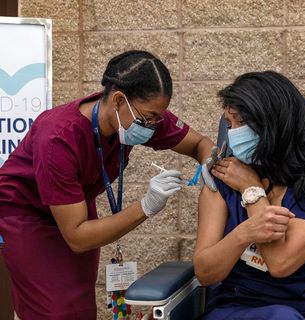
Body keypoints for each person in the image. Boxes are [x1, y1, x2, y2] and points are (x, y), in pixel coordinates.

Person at [0, 50, 215, 320]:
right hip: (25, 213)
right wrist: (146, 206)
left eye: (158, 118)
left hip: (75, 207)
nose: (153, 126)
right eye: (149, 117)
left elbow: (200, 143)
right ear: (118, 100)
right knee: (54, 311)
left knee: (78, 307)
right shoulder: (58, 138)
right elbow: (78, 237)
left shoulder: (139, 116)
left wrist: (210, 162)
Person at [194, 71, 305, 320]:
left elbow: (281, 263)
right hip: (237, 308)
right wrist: (243, 234)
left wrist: (251, 191)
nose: (233, 134)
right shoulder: (224, 181)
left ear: (274, 122)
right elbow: (205, 272)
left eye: (241, 122)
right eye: (229, 125)